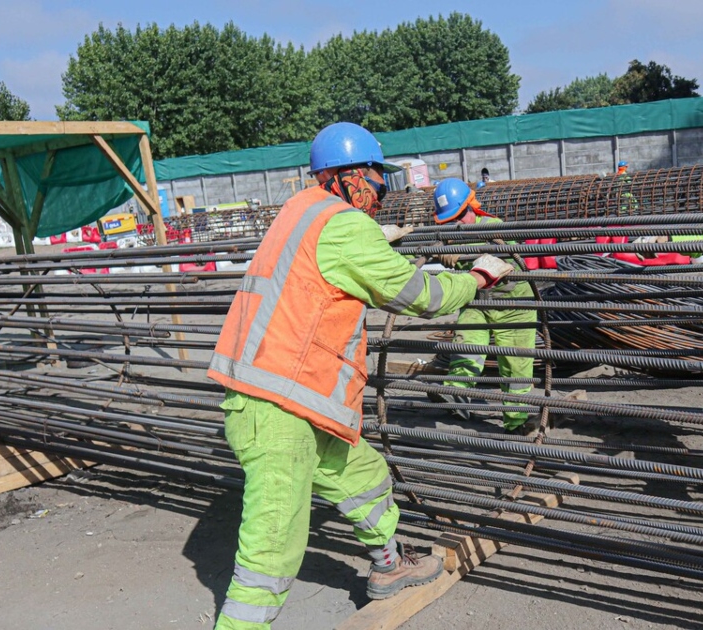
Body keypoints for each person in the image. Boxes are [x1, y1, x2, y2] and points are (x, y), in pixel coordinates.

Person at [207, 122, 514, 629]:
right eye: (377, 180)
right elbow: (421, 296)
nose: (380, 192)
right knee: (271, 549)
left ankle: (390, 565)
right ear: (349, 175)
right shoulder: (345, 226)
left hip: (295, 398)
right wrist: (476, 277)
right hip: (276, 407)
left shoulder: (303, 209)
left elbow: (322, 263)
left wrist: (377, 241)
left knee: (365, 477)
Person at [427, 177, 537, 433]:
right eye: (448, 221)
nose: (456, 224)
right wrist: (440, 252)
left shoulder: (493, 227)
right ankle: (456, 393)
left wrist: (469, 253)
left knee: (516, 366)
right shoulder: (450, 234)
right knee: (467, 344)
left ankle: (516, 421)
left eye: (458, 217)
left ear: (470, 207)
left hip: (513, 304)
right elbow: (426, 248)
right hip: (477, 300)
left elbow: (508, 258)